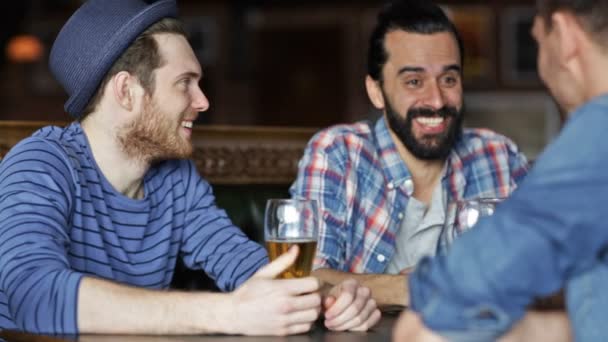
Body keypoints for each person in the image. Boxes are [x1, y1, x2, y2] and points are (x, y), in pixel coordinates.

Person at [0, 0, 380, 335]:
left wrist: (336, 296)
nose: (203, 101)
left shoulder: (175, 180)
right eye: (185, 83)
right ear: (126, 91)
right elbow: (33, 295)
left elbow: (248, 266)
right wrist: (228, 314)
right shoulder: (42, 164)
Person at [290, 0, 528, 307]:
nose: (437, 99)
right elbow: (305, 279)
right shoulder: (339, 153)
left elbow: (549, 264)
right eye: (414, 81)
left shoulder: (498, 156)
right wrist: (418, 287)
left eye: (449, 79)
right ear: (376, 91)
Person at [394, 0, 608, 340]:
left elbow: (446, 305)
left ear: (565, 36)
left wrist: (426, 314)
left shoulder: (599, 132)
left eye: (538, 41)